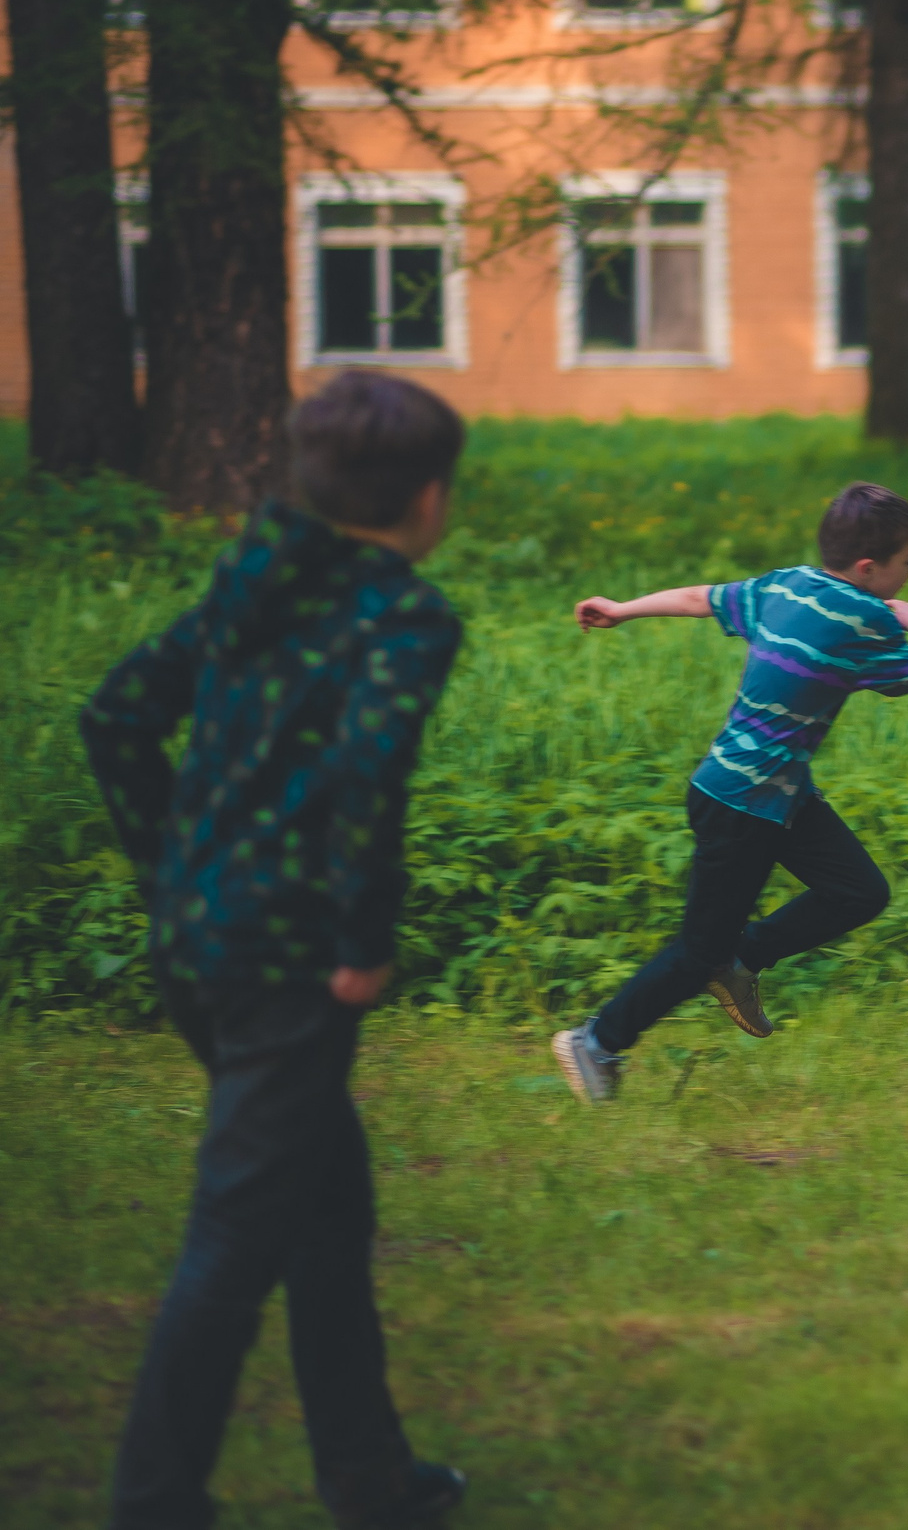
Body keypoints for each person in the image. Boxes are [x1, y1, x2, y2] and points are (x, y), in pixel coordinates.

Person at [81, 370, 470, 1529]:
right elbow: (366, 772)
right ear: (430, 498)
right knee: (237, 1236)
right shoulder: (401, 617)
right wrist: (358, 939)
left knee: (327, 1208)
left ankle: (369, 1477)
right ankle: (153, 1501)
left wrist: (175, 880)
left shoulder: (255, 581)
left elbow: (116, 718)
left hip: (197, 946)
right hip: (289, 964)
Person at [550, 482, 908, 1101]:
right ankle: (596, 1042)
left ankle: (739, 962)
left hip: (768, 792)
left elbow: (695, 598)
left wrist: (623, 608)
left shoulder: (787, 584)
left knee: (858, 890)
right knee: (695, 953)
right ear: (870, 569)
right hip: (744, 806)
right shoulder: (866, 619)